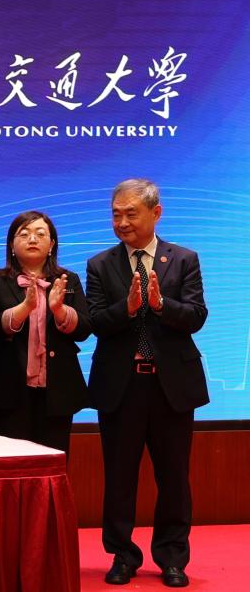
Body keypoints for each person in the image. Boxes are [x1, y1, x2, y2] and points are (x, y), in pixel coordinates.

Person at [87, 179, 208, 588]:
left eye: (130, 214)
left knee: (173, 477)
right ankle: (122, 555)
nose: (122, 222)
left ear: (156, 213)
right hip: (121, 387)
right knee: (119, 477)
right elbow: (95, 322)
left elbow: (196, 316)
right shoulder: (100, 265)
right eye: (116, 214)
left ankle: (172, 558)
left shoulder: (184, 259)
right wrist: (126, 309)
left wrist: (160, 305)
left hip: (170, 386)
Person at [0, 211, 91, 455]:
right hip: (9, 388)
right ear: (11, 245)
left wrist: (59, 310)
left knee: (53, 463)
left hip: (58, 389)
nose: (32, 239)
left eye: (40, 234)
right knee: (12, 464)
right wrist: (25, 308)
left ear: (52, 244)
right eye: (24, 234)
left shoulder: (68, 279)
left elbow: (84, 329)